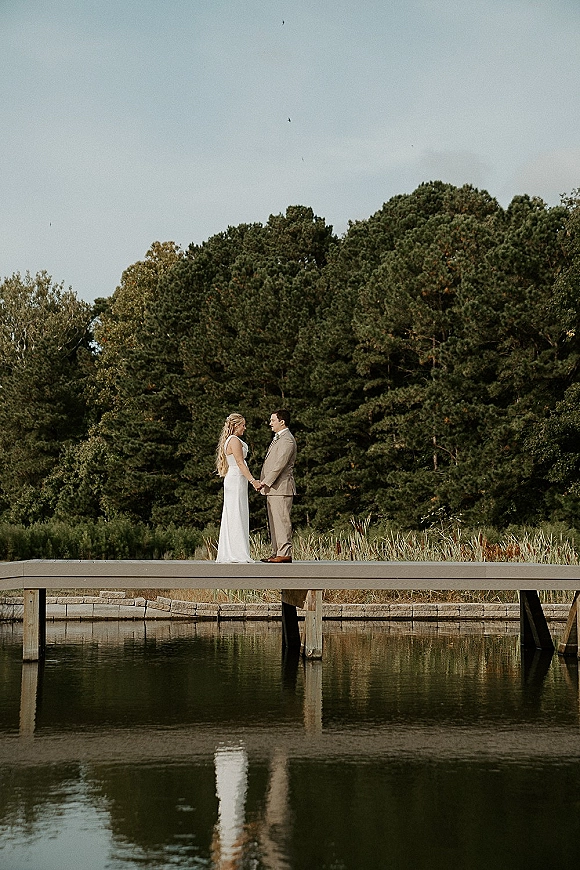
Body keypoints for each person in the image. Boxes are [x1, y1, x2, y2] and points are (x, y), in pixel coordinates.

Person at [215, 413, 261, 563]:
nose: (244, 428)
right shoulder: (234, 440)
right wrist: (253, 480)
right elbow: (240, 463)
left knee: (236, 512)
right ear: (235, 426)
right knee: (236, 513)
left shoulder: (232, 440)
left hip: (236, 480)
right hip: (236, 479)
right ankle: (236, 552)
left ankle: (235, 550)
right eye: (242, 425)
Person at [258, 409, 297, 563]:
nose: (270, 423)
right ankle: (277, 552)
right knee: (274, 522)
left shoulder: (287, 439)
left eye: (273, 420)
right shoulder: (279, 439)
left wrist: (265, 482)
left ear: (282, 422)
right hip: (273, 489)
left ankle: (284, 552)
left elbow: (280, 464)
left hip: (281, 487)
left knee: (282, 520)